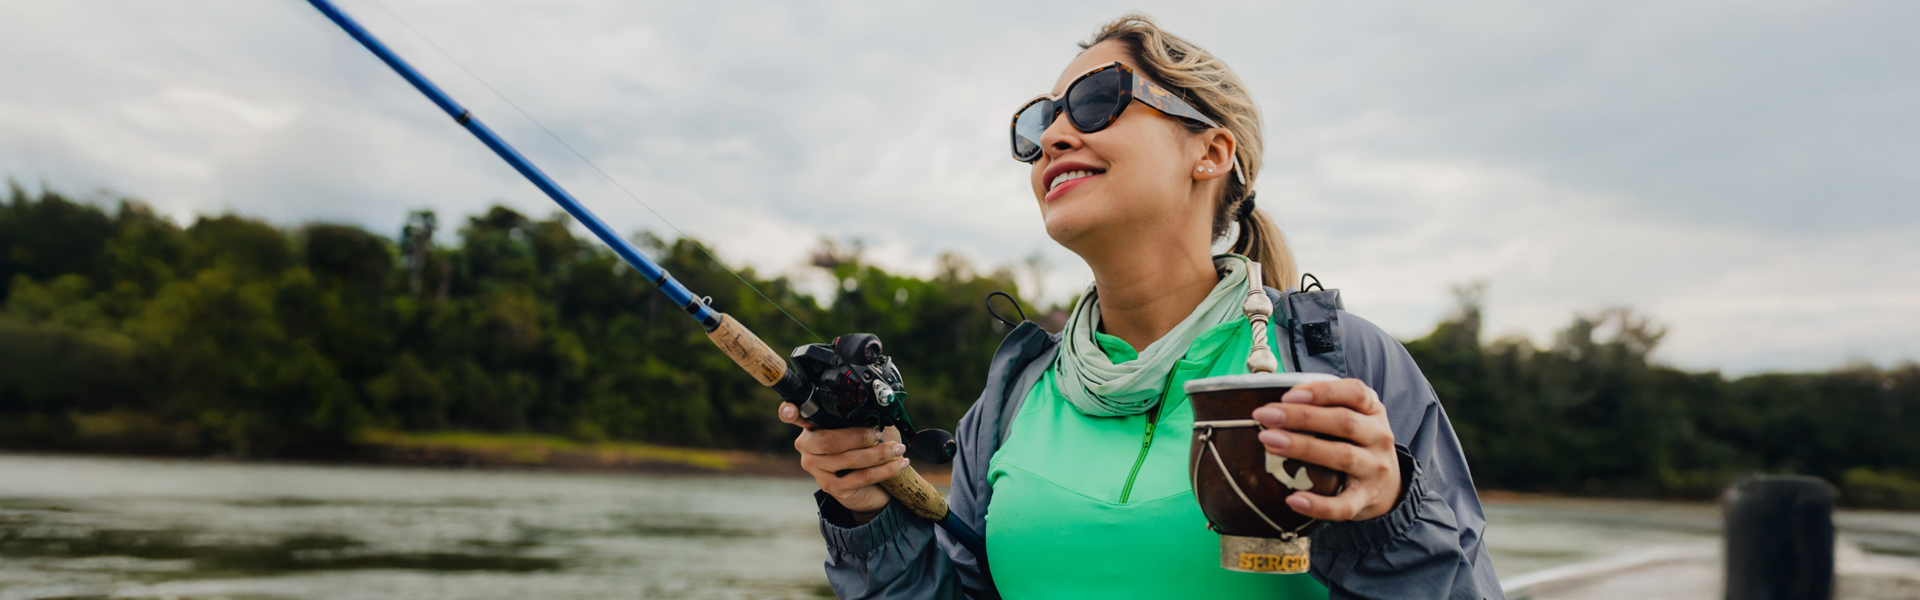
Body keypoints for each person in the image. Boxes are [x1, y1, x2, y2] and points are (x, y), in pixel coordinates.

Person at [779, 14, 1502, 600]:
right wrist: (867, 511)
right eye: (1039, 124)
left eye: (1097, 101)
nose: (1054, 138)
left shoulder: (1343, 360)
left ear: (1212, 152)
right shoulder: (1017, 393)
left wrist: (1390, 512)